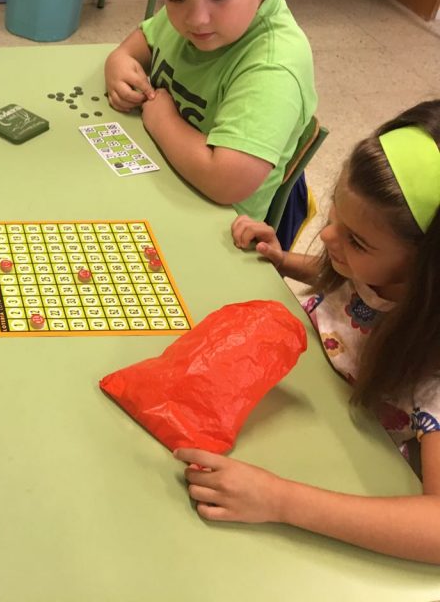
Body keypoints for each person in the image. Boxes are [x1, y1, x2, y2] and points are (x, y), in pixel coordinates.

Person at [176, 99, 440, 563]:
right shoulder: (381, 267)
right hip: (293, 389)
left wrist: (279, 501)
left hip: (337, 468)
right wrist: (285, 261)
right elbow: (355, 288)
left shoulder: (430, 358)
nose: (329, 238)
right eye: (335, 215)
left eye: (356, 241)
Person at [103, 0, 316, 249]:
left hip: (214, 228)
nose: (196, 19)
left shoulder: (273, 66)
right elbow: (137, 45)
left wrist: (162, 119)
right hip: (161, 177)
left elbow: (225, 182)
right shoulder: (194, 14)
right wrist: (117, 61)